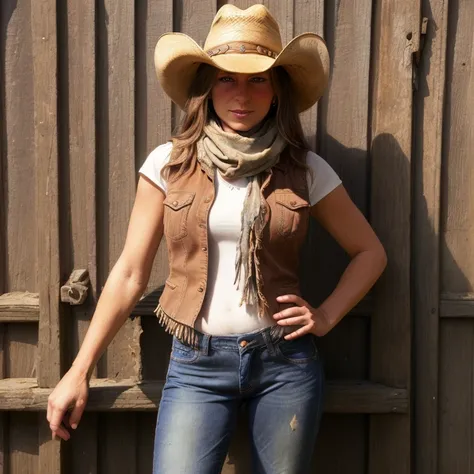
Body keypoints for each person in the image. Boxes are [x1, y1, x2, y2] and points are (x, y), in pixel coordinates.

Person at [47, 4, 387, 473]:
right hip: (196, 365)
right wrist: (78, 370)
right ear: (207, 87)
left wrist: (326, 315)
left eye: (258, 79)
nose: (241, 94)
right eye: (227, 78)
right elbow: (129, 272)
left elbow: (370, 253)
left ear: (277, 89)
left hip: (284, 363)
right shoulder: (169, 164)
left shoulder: (305, 169)